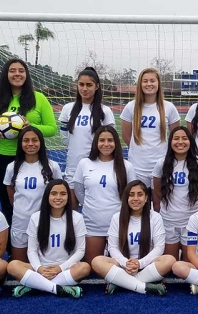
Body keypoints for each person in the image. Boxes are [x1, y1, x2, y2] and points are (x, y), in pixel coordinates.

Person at [0, 58, 57, 232]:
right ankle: (12, 247)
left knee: (38, 201)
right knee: (8, 203)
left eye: (21, 70)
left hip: (32, 157)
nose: (17, 74)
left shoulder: (38, 98)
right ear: (6, 74)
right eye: (12, 70)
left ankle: (40, 243)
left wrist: (30, 127)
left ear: (26, 74)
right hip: (2, 157)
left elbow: (52, 129)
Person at [7, 179, 90, 298]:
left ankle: (35, 286)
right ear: (47, 196)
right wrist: (39, 269)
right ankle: (58, 288)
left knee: (84, 268)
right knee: (12, 265)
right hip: (41, 268)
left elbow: (80, 250)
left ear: (68, 196)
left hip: (65, 268)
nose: (58, 197)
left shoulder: (77, 218)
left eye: (63, 194)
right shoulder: (36, 217)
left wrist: (60, 268)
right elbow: (31, 250)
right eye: (53, 193)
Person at [91, 181, 175, 296]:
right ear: (126, 198)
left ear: (146, 198)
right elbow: (113, 247)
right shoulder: (117, 217)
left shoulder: (155, 217)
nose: (135, 198)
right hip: (122, 265)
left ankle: (121, 282)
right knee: (97, 261)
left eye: (140, 194)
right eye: (131, 195)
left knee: (170, 260)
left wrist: (139, 263)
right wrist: (126, 263)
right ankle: (142, 287)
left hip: (146, 264)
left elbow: (159, 247)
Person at [74, 125, 135, 264]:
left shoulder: (126, 166)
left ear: (116, 143)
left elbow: (131, 195)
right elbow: (79, 191)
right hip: (92, 224)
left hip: (119, 223)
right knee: (93, 264)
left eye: (110, 140)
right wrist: (92, 206)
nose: (106, 144)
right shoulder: (84, 163)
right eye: (102, 140)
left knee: (121, 264)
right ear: (96, 142)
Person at [3, 126, 62, 262]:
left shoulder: (52, 166)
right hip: (21, 221)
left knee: (45, 261)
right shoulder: (12, 167)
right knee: (19, 264)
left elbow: (59, 191)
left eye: (34, 140)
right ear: (20, 143)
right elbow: (10, 191)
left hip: (45, 220)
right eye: (26, 140)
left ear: (41, 142)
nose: (30, 144)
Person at [59, 67, 115, 208]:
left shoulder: (105, 111)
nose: (84, 88)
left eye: (89, 85)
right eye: (81, 84)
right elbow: (65, 139)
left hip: (96, 167)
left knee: (95, 208)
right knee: (71, 214)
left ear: (97, 86)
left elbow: (111, 142)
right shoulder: (68, 109)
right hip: (73, 167)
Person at [152, 126, 198, 261]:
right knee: (169, 262)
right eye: (176, 138)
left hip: (191, 222)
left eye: (184, 138)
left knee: (189, 262)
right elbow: (156, 191)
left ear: (190, 141)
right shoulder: (161, 164)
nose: (180, 142)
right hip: (168, 221)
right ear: (170, 142)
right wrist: (159, 212)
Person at [121, 68, 181, 188]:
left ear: (158, 83)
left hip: (161, 165)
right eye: (145, 81)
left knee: (160, 203)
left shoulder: (169, 107)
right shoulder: (130, 107)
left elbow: (176, 137)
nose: (149, 84)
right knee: (137, 202)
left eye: (152, 81)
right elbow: (126, 136)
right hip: (137, 166)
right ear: (140, 84)